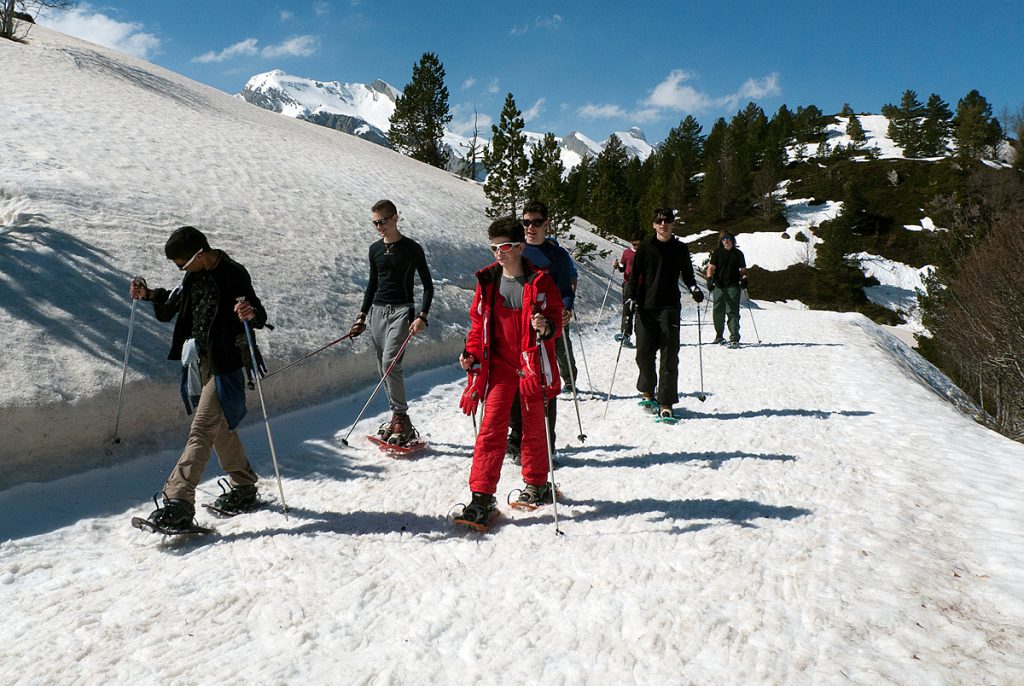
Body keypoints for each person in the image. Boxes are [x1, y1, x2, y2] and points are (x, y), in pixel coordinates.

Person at [129, 226, 268, 529]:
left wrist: (249, 313)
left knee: (202, 428)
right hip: (199, 363)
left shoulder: (233, 274)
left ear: (200, 253)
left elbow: (259, 314)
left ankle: (178, 501)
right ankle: (244, 487)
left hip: (226, 364)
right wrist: (148, 294)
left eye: (181, 263)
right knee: (218, 428)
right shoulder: (193, 275)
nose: (180, 268)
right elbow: (171, 305)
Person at [455, 217, 564, 525]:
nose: (498, 254)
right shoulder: (488, 281)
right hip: (501, 367)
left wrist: (548, 326)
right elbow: (479, 326)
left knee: (533, 428)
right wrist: (471, 353)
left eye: (503, 247)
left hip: (530, 364)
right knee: (491, 429)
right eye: (493, 248)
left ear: (519, 247)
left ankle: (537, 483)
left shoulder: (539, 281)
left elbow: (555, 315)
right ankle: (481, 497)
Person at [348, 199, 434, 446]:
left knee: (390, 362)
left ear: (395, 218)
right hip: (377, 311)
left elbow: (428, 286)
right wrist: (361, 316)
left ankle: (401, 416)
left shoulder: (412, 248)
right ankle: (396, 416)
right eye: (375, 222)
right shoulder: (375, 249)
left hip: (402, 311)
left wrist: (422, 316)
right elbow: (371, 284)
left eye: (383, 221)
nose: (379, 227)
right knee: (381, 367)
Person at [504, 200, 577, 464]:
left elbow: (566, 289)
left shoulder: (556, 255)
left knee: (546, 384)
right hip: (519, 326)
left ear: (546, 224)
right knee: (516, 380)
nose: (530, 227)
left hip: (549, 324)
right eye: (526, 222)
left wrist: (566, 309)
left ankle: (548, 445)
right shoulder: (518, 252)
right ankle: (517, 437)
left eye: (536, 222)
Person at [625, 208, 704, 419]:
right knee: (644, 353)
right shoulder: (645, 248)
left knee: (669, 356)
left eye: (667, 221)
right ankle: (648, 391)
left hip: (669, 308)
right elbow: (635, 277)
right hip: (645, 307)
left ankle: (666, 401)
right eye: (659, 221)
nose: (663, 224)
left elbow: (688, 275)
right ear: (653, 224)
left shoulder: (680, 248)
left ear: (673, 224)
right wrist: (631, 298)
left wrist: (694, 288)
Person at [706, 231, 748, 348]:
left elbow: (743, 269)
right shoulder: (717, 253)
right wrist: (709, 280)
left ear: (732, 240)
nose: (726, 241)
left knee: (732, 311)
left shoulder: (738, 254)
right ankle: (719, 336)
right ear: (721, 241)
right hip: (719, 285)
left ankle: (734, 338)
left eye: (728, 239)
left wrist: (744, 278)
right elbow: (711, 267)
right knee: (718, 311)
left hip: (733, 285)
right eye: (724, 239)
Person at [613, 234, 642, 347]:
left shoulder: (644, 253)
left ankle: (641, 336)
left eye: (639, 244)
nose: (636, 246)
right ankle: (625, 334)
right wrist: (616, 266)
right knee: (627, 308)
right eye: (634, 244)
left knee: (640, 311)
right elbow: (622, 267)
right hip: (628, 284)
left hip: (642, 285)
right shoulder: (627, 253)